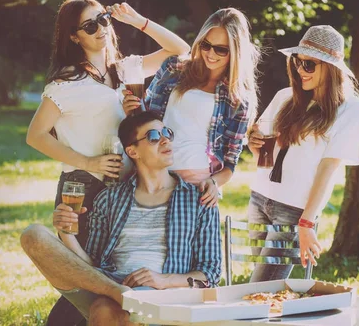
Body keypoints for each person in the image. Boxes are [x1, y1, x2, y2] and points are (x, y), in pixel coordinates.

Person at [25, 0, 190, 325]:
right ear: (74, 36)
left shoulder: (124, 70)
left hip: (125, 188)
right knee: (84, 276)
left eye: (103, 19)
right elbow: (36, 136)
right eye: (89, 25)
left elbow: (179, 50)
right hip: (83, 187)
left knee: (100, 277)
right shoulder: (67, 82)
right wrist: (88, 162)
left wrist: (138, 21)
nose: (100, 28)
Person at [20, 111, 222, 326]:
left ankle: (120, 297)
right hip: (107, 285)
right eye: (153, 136)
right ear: (132, 151)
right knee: (33, 235)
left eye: (167, 133)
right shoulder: (109, 198)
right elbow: (90, 266)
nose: (165, 140)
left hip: (161, 297)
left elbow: (210, 273)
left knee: (105, 309)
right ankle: (118, 293)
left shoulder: (198, 199)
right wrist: (66, 233)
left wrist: (164, 280)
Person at [246, 25, 359, 281]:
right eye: (297, 63)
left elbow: (329, 169)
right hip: (259, 198)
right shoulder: (284, 97)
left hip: (293, 209)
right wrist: (253, 142)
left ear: (330, 67)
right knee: (262, 290)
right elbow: (263, 157)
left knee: (261, 287)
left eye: (309, 65)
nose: (300, 70)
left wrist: (307, 222)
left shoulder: (350, 109)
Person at [123, 8, 260, 207]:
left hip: (196, 182)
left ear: (236, 51)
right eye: (206, 45)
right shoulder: (174, 68)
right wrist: (131, 112)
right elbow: (146, 119)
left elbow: (230, 162)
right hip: (152, 172)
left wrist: (213, 182)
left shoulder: (238, 99)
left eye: (221, 49)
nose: (211, 54)